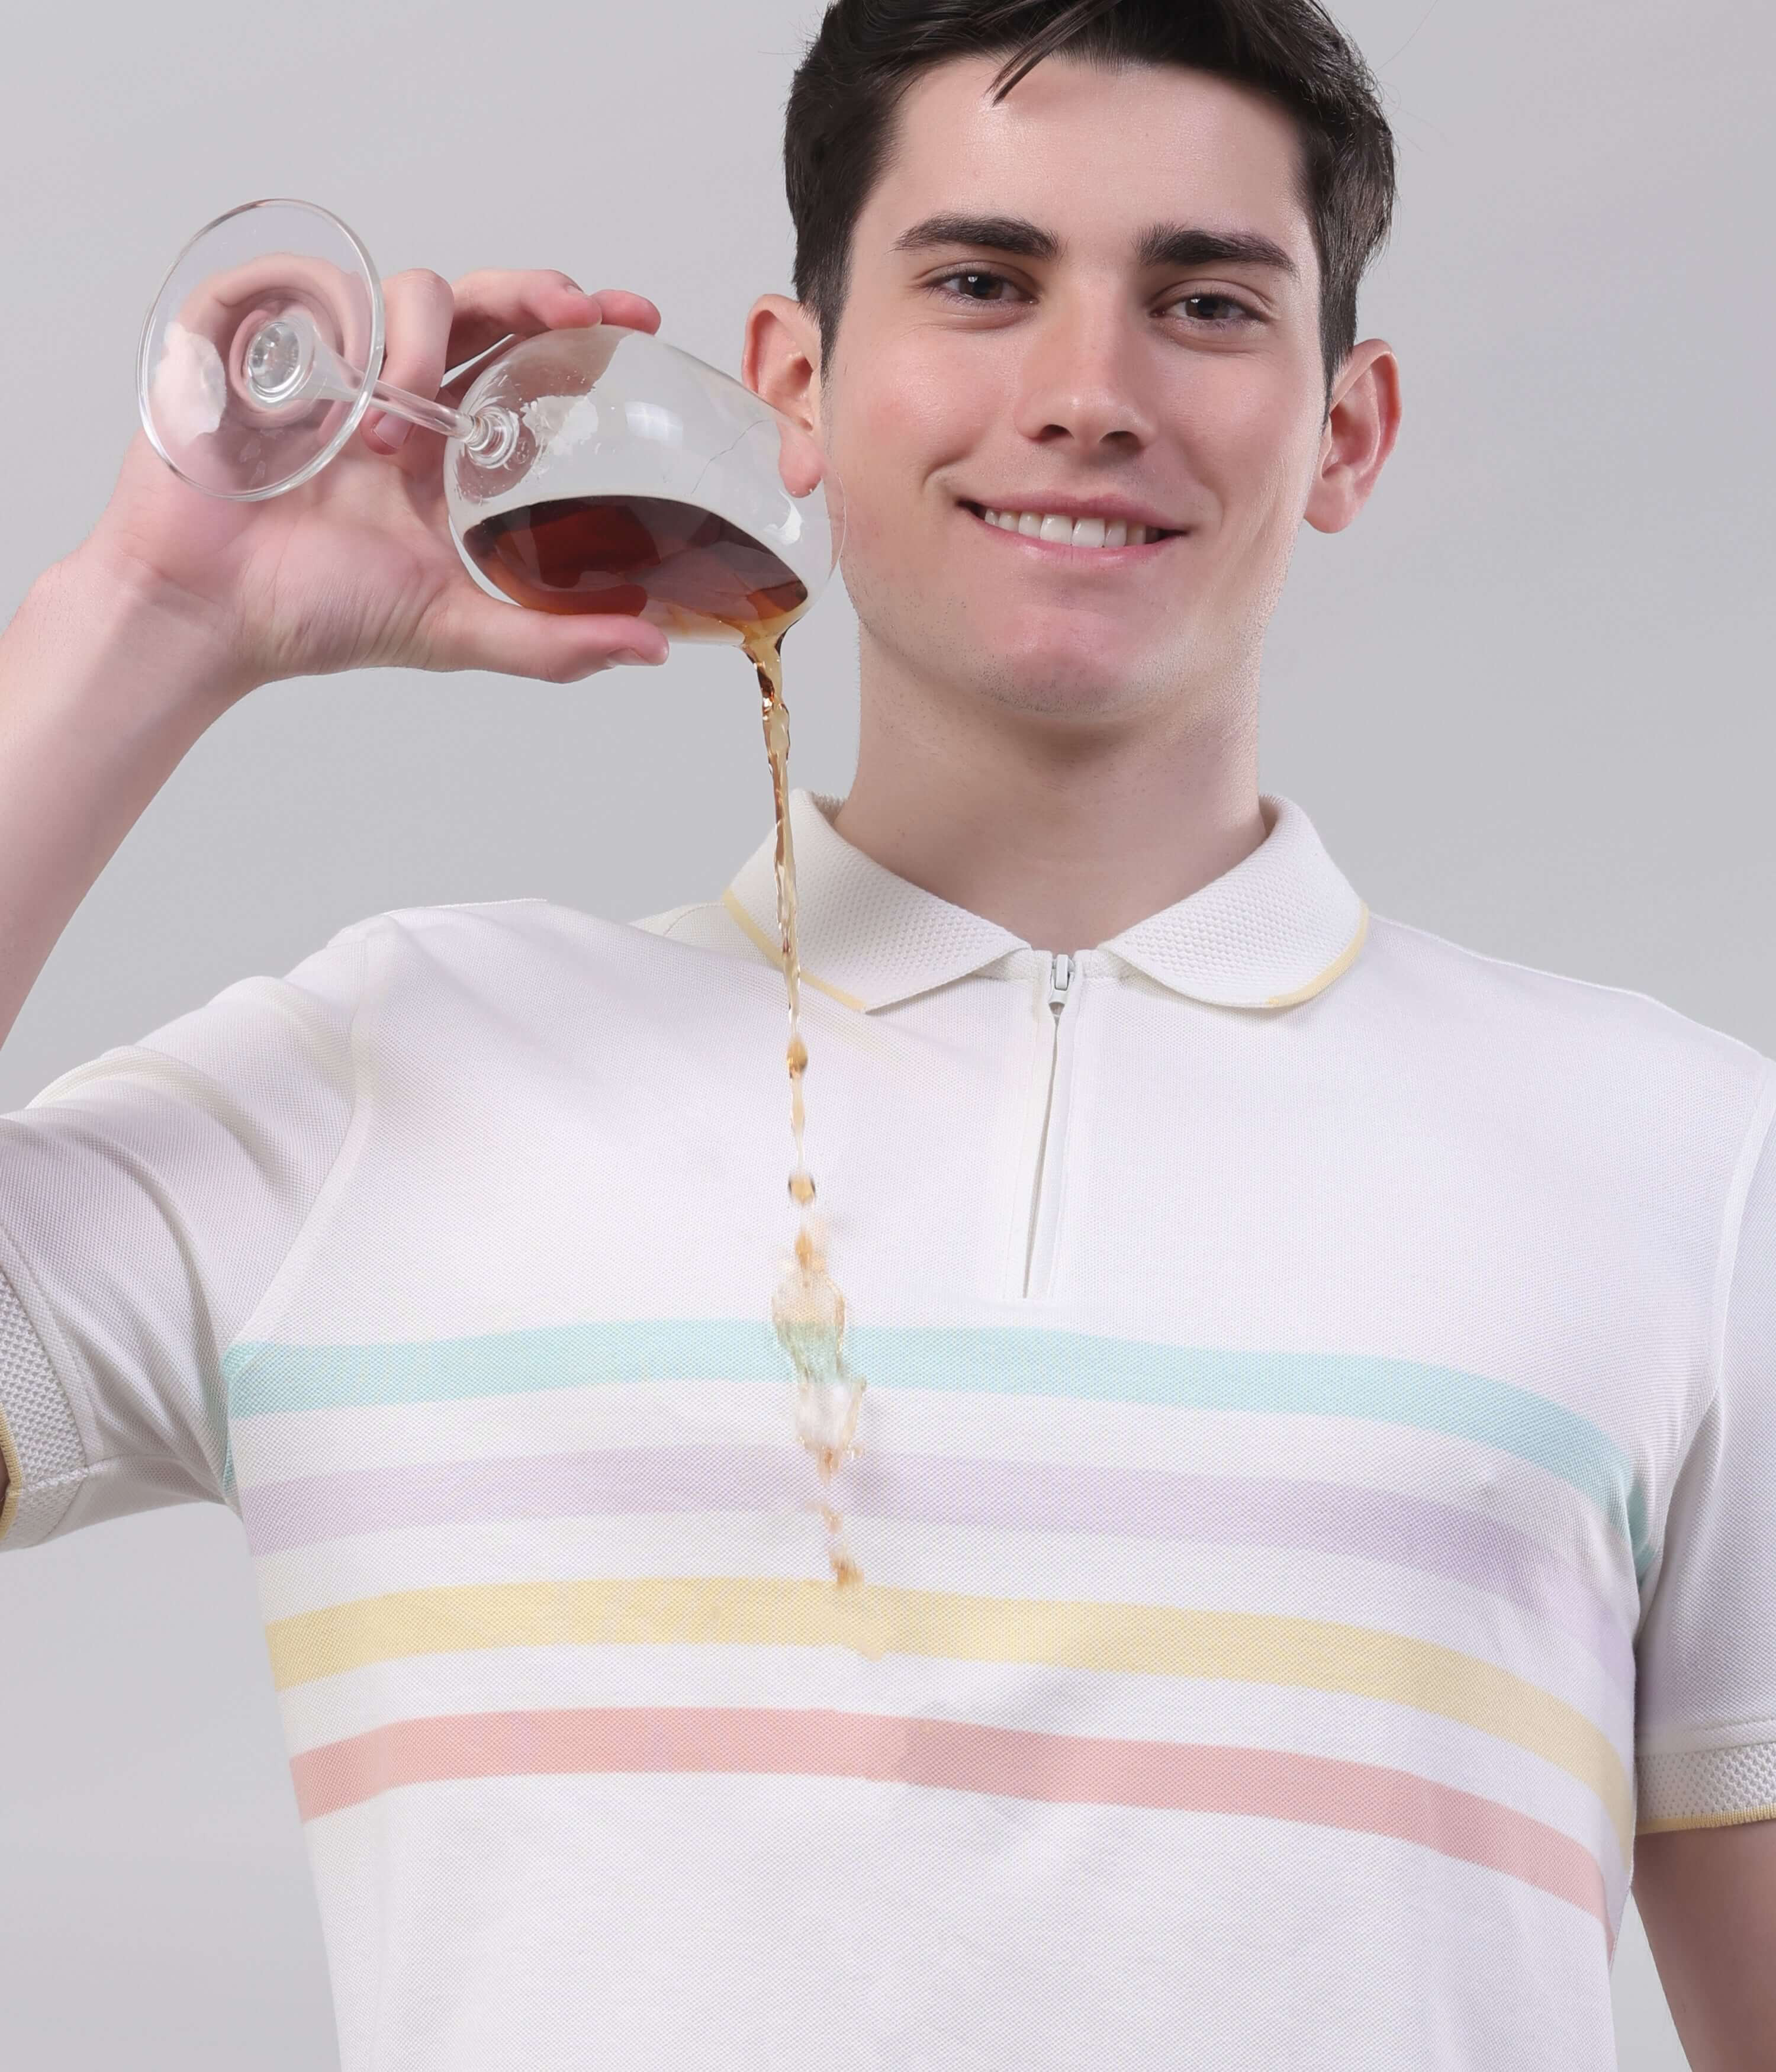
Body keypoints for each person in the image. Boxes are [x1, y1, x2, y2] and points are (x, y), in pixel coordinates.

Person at [1, 0, 1770, 2065]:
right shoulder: (373, 1084)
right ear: (794, 389)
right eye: (981, 281)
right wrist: (153, 614)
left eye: (1202, 299)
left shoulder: (1687, 1164)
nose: (1088, 393)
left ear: (1347, 428)